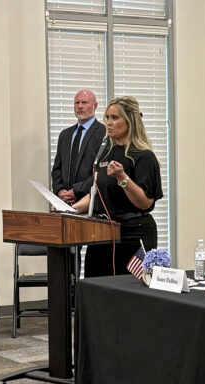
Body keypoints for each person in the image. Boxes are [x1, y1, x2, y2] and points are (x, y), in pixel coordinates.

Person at [72, 96, 163, 277]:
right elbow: (97, 193)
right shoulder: (106, 153)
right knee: (96, 286)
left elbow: (145, 202)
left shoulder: (143, 156)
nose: (109, 123)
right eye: (107, 117)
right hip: (102, 234)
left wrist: (123, 178)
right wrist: (69, 210)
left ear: (130, 121)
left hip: (132, 234)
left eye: (115, 118)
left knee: (127, 293)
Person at [51, 90, 107, 205]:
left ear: (95, 106)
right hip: (64, 202)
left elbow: (101, 172)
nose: (80, 106)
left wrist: (77, 190)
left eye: (85, 102)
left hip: (90, 201)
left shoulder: (104, 134)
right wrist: (59, 190)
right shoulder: (65, 135)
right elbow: (57, 168)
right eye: (77, 103)